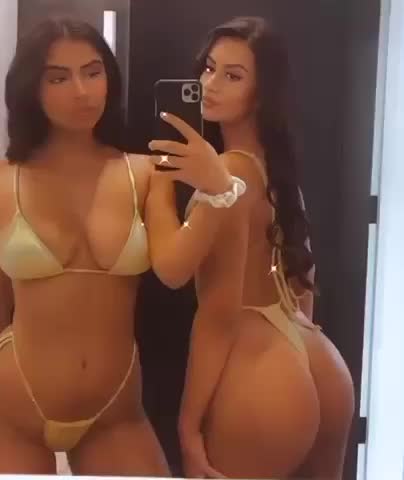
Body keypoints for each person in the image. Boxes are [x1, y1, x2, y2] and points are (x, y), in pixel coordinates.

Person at [0, 17, 240, 475]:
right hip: (13, 408)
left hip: (116, 413)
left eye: (93, 72)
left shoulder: (145, 172)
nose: (82, 91)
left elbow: (174, 270)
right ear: (31, 88)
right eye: (58, 78)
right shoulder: (3, 180)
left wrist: (217, 191)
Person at [152, 16, 354, 479]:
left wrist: (188, 425)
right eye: (209, 68)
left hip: (263, 375)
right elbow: (304, 286)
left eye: (233, 76)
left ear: (261, 94)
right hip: (321, 362)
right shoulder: (278, 173)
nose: (210, 84)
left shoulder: (228, 174)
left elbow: (207, 302)